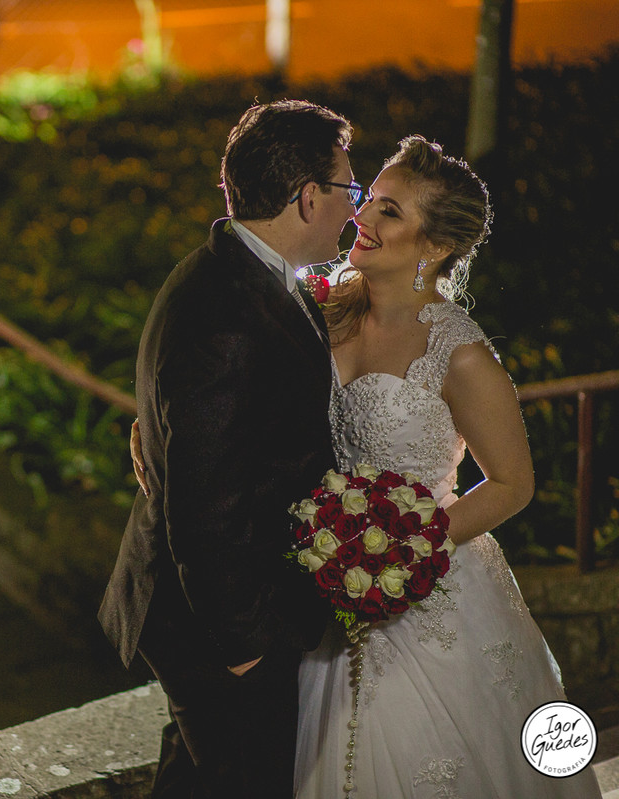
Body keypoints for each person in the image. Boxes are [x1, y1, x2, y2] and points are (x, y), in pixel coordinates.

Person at [132, 136, 603, 797]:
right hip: (315, 594)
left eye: (388, 212)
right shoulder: (316, 305)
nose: (361, 220)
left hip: (423, 591)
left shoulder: (460, 355)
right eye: (368, 202)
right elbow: (222, 387)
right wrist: (155, 435)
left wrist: (409, 550)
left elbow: (513, 484)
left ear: (433, 247)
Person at [97, 99, 358, 797]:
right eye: (348, 191)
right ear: (309, 199)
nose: (353, 211)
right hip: (215, 615)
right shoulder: (226, 314)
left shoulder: (233, 270)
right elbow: (204, 501)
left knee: (203, 775)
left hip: (225, 601)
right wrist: (243, 643)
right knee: (249, 778)